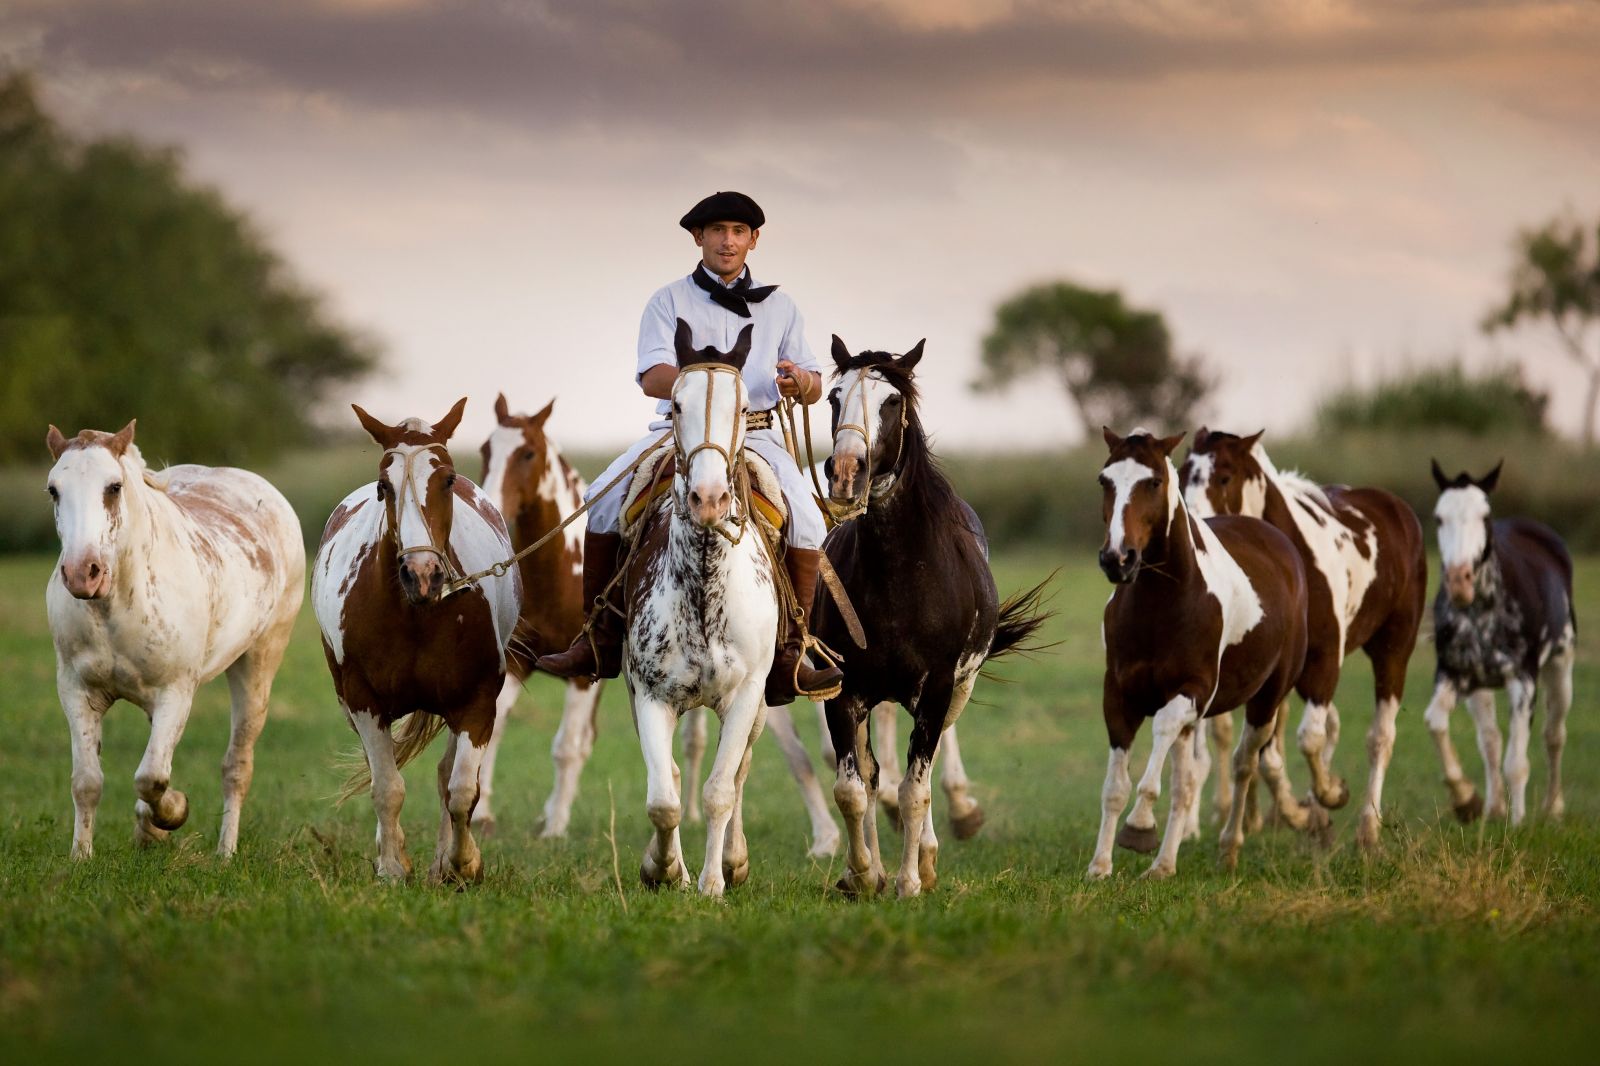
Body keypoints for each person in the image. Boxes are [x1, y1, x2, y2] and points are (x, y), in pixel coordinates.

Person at [537, 191, 842, 705]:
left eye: (739, 232)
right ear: (698, 238)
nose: (728, 240)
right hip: (678, 432)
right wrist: (709, 391)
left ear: (754, 240)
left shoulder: (781, 307)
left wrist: (800, 383)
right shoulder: (668, 300)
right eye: (718, 230)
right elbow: (652, 376)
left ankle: (792, 652)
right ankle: (599, 639)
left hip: (757, 433)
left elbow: (811, 379)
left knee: (809, 518)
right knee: (603, 498)